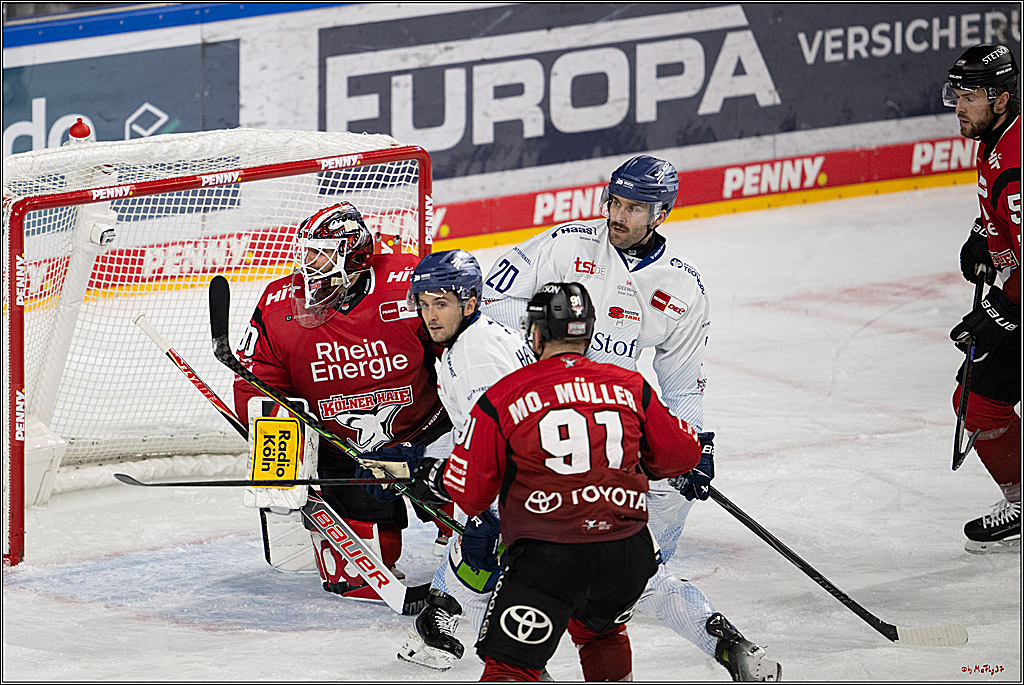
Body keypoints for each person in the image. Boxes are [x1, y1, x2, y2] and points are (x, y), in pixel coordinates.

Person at [480, 155, 782, 680]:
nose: (617, 215)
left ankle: (722, 642)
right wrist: (543, 368)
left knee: (624, 572)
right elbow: (493, 300)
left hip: (619, 432)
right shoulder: (565, 245)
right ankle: (448, 601)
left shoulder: (682, 289)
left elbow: (683, 382)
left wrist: (696, 448)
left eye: (633, 207)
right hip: (547, 424)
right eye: (614, 202)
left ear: (660, 213)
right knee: (609, 570)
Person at [426, 281, 704, 681]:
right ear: (588, 332)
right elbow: (682, 455)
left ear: (535, 333)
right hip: (625, 555)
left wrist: (441, 477)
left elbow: (471, 497)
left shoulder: (504, 395)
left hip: (549, 558)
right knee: (601, 634)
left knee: (509, 667)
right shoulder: (629, 385)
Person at [232, 201, 452, 603]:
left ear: (353, 254)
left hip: (426, 432)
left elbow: (457, 353)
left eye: (321, 252)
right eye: (306, 251)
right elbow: (259, 383)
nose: (308, 263)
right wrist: (278, 459)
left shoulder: (410, 281)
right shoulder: (280, 304)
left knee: (476, 534)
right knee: (354, 579)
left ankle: (454, 531)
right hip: (341, 449)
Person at [375, 248, 535, 670]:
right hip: (525, 471)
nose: (430, 315)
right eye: (424, 304)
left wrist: (443, 479)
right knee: (475, 541)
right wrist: (415, 457)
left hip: (529, 482)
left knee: (483, 545)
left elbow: (503, 444)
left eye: (441, 304)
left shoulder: (473, 357)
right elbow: (477, 430)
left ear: (469, 303)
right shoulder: (473, 339)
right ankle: (439, 625)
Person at [943, 44, 1021, 554]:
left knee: (979, 397)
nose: (958, 106)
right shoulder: (998, 138)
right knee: (977, 399)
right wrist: (982, 234)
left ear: (1002, 97)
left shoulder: (1014, 162)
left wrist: (1001, 314)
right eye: (957, 94)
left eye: (969, 96)